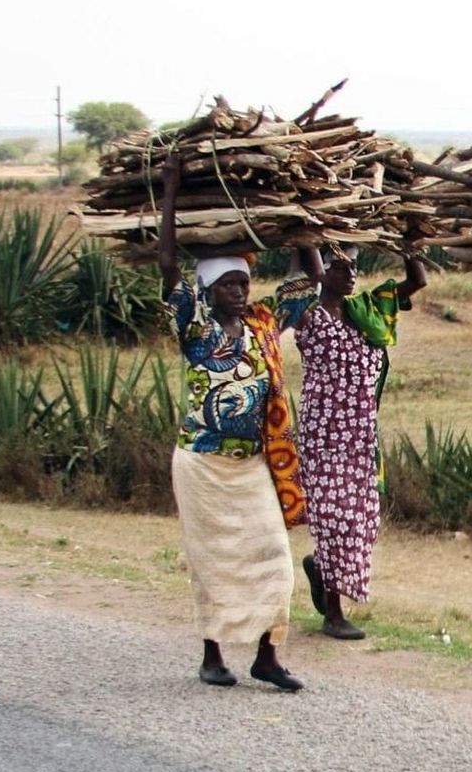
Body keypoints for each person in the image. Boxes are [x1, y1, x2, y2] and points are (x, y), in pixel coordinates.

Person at [158, 153, 310, 692]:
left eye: (243, 284)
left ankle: (268, 655)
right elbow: (167, 265)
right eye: (228, 285)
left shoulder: (263, 326)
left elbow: (306, 282)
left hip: (251, 468)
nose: (239, 292)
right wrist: (170, 190)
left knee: (275, 559)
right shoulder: (194, 329)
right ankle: (212, 653)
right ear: (208, 290)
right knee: (211, 563)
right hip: (201, 463)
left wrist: (303, 217)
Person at [285, 244, 427, 639]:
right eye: (340, 266)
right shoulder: (309, 316)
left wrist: (409, 241)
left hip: (361, 436)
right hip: (323, 435)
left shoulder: (367, 310)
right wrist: (309, 231)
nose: (350, 274)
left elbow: (418, 280)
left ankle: (321, 569)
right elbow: (303, 271)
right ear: (323, 272)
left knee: (360, 521)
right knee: (334, 519)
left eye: (354, 266)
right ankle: (333, 613)